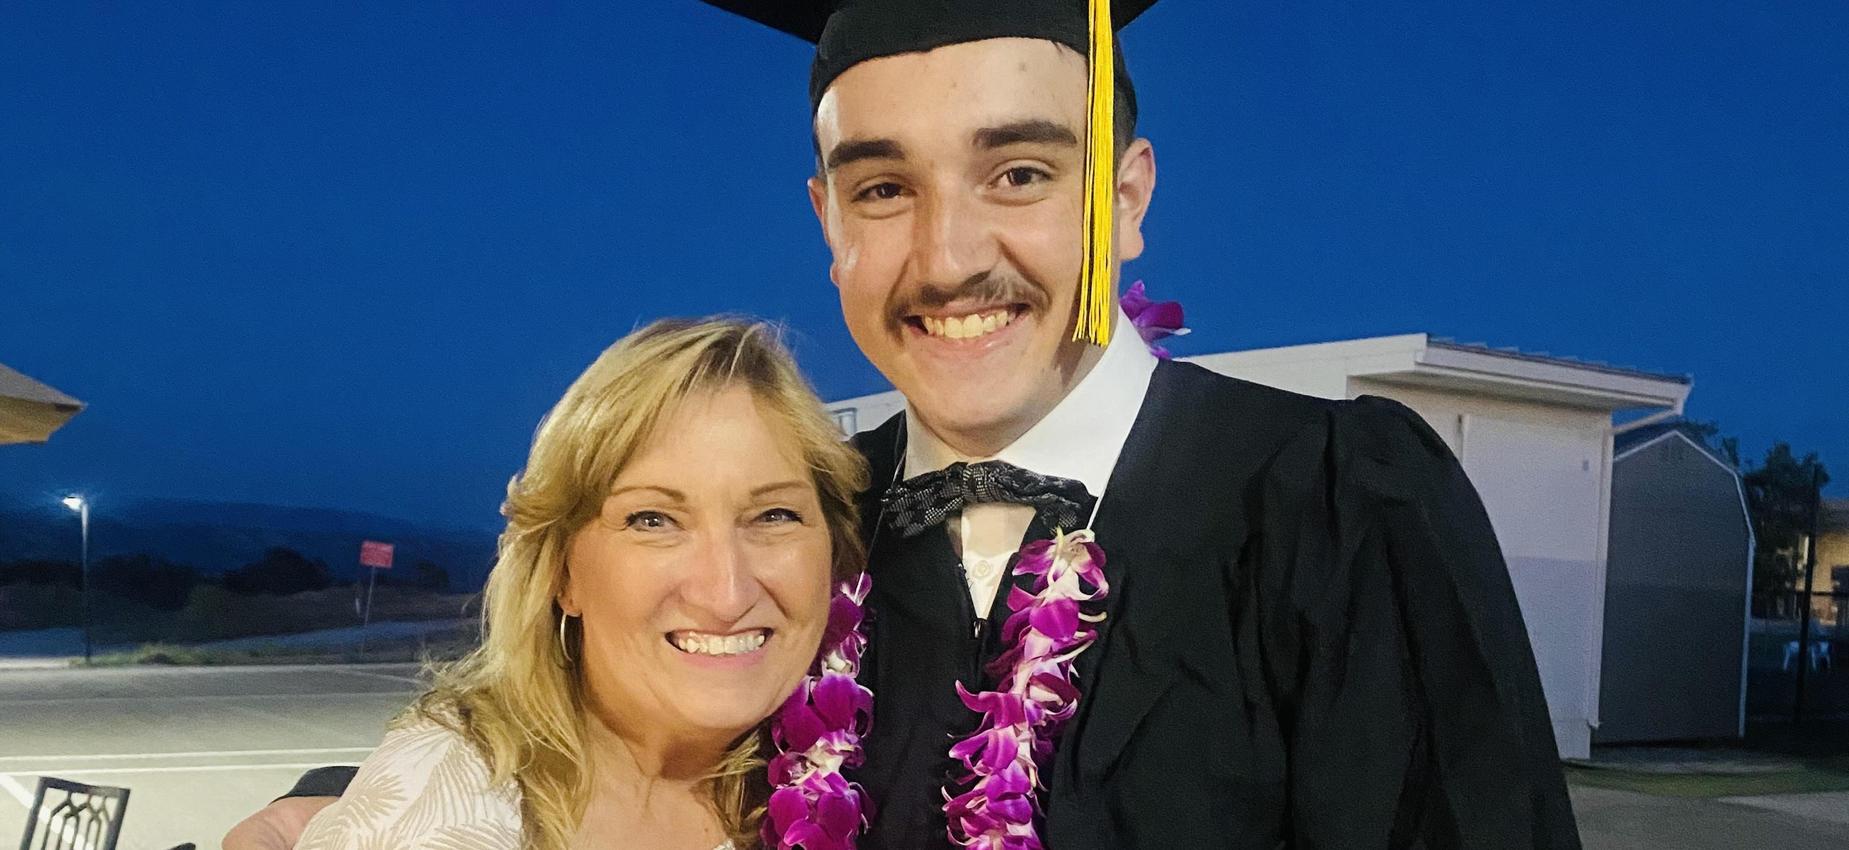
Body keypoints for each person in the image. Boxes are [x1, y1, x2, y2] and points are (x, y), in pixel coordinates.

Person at [230, 1, 1583, 847]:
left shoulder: (1337, 505)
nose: (947, 257)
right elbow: (609, 733)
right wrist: (353, 801)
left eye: (1018, 172)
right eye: (883, 190)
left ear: (1123, 197)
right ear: (827, 221)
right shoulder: (809, 519)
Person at [278, 318, 867, 850]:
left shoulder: (844, 760)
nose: (727, 592)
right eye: (652, 521)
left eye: (774, 517)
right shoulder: (443, 814)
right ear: (563, 573)